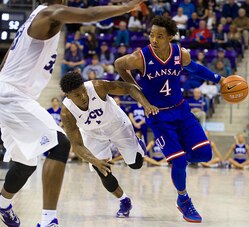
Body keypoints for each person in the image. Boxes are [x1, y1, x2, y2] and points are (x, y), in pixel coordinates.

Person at [0, 0, 144, 226]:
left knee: (26, 163)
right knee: (60, 145)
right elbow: (91, 14)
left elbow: (8, 57)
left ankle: (3, 203)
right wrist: (127, 7)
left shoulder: (36, 16)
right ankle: (49, 221)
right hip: (11, 96)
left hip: (14, 95)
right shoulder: (50, 12)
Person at [114, 15, 226, 223]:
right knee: (180, 161)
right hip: (158, 117)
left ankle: (178, 159)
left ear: (171, 38)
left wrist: (219, 79)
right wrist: (135, 88)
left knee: (204, 154)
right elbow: (119, 64)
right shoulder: (140, 58)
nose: (154, 40)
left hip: (181, 110)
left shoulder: (179, 54)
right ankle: (183, 198)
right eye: (151, 35)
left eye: (159, 36)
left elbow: (196, 69)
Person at [60, 72, 158, 218]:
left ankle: (138, 143)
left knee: (136, 164)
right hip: (92, 134)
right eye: (77, 95)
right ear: (68, 95)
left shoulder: (98, 87)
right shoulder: (66, 114)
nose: (83, 97)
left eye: (83, 91)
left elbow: (129, 88)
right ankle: (124, 200)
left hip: (117, 125)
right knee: (102, 170)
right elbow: (77, 145)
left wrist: (146, 105)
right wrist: (95, 161)